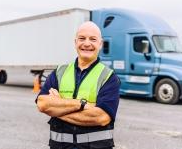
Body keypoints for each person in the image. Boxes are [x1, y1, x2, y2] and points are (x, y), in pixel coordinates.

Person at [36, 21, 120, 149]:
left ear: (100, 44)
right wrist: (81, 104)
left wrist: (58, 106)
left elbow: (101, 117)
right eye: (82, 38)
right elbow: (42, 104)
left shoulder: (108, 77)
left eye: (93, 39)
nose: (87, 43)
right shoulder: (60, 72)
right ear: (75, 42)